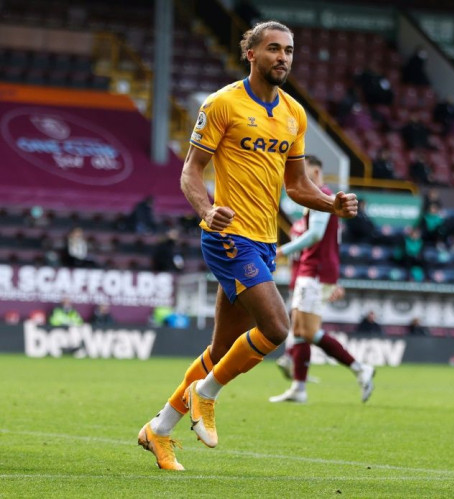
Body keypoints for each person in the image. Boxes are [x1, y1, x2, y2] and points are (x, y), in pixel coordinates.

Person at [137, 21, 358, 471]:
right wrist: (207, 209)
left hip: (264, 241)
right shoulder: (222, 104)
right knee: (277, 328)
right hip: (227, 236)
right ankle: (207, 394)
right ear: (251, 54)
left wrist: (331, 202)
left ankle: (158, 431)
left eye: (289, 51)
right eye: (274, 49)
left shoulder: (294, 113)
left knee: (221, 352)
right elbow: (190, 172)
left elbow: (297, 186)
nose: (283, 57)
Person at [268, 155, 375, 404]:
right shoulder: (320, 198)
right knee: (302, 330)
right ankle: (300, 387)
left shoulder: (322, 196)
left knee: (306, 330)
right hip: (315, 271)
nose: (296, 177)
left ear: (315, 173)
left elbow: (315, 235)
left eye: (302, 172)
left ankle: (359, 368)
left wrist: (281, 251)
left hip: (314, 271)